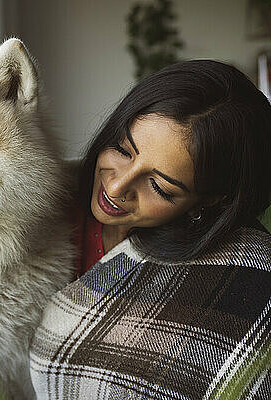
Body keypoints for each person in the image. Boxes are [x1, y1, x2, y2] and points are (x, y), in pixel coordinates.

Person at [30, 60, 271, 399]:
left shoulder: (217, 274)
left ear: (210, 201)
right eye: (122, 149)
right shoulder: (38, 211)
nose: (116, 188)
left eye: (159, 187)